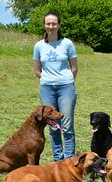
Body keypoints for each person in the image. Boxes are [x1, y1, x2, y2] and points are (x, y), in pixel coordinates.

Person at [33, 12, 78, 161]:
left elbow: (74, 67)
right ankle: (58, 160)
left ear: (59, 25)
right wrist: (48, 79)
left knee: (67, 125)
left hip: (66, 87)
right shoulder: (39, 46)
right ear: (44, 25)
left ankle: (70, 159)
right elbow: (37, 70)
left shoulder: (67, 43)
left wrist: (67, 81)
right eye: (48, 23)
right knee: (53, 125)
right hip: (47, 88)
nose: (51, 26)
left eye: (54, 23)